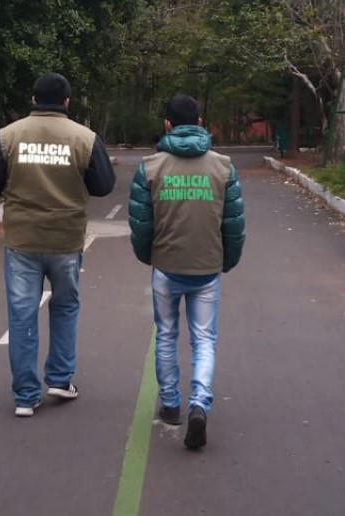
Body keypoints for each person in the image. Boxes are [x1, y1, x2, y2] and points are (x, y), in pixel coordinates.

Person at [0, 72, 116, 417]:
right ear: (67, 102)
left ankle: (25, 396)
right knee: (65, 307)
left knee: (22, 314)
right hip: (65, 240)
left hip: (22, 241)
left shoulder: (9, 136)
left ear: (33, 99)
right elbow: (103, 186)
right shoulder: (84, 138)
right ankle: (60, 379)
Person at [128, 94, 245, 449]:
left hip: (166, 266)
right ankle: (199, 403)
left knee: (166, 335)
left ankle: (170, 404)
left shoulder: (150, 167)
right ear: (200, 122)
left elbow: (141, 225)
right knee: (204, 339)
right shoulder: (223, 167)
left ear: (167, 124)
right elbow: (234, 225)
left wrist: (149, 256)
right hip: (207, 268)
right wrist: (226, 261)